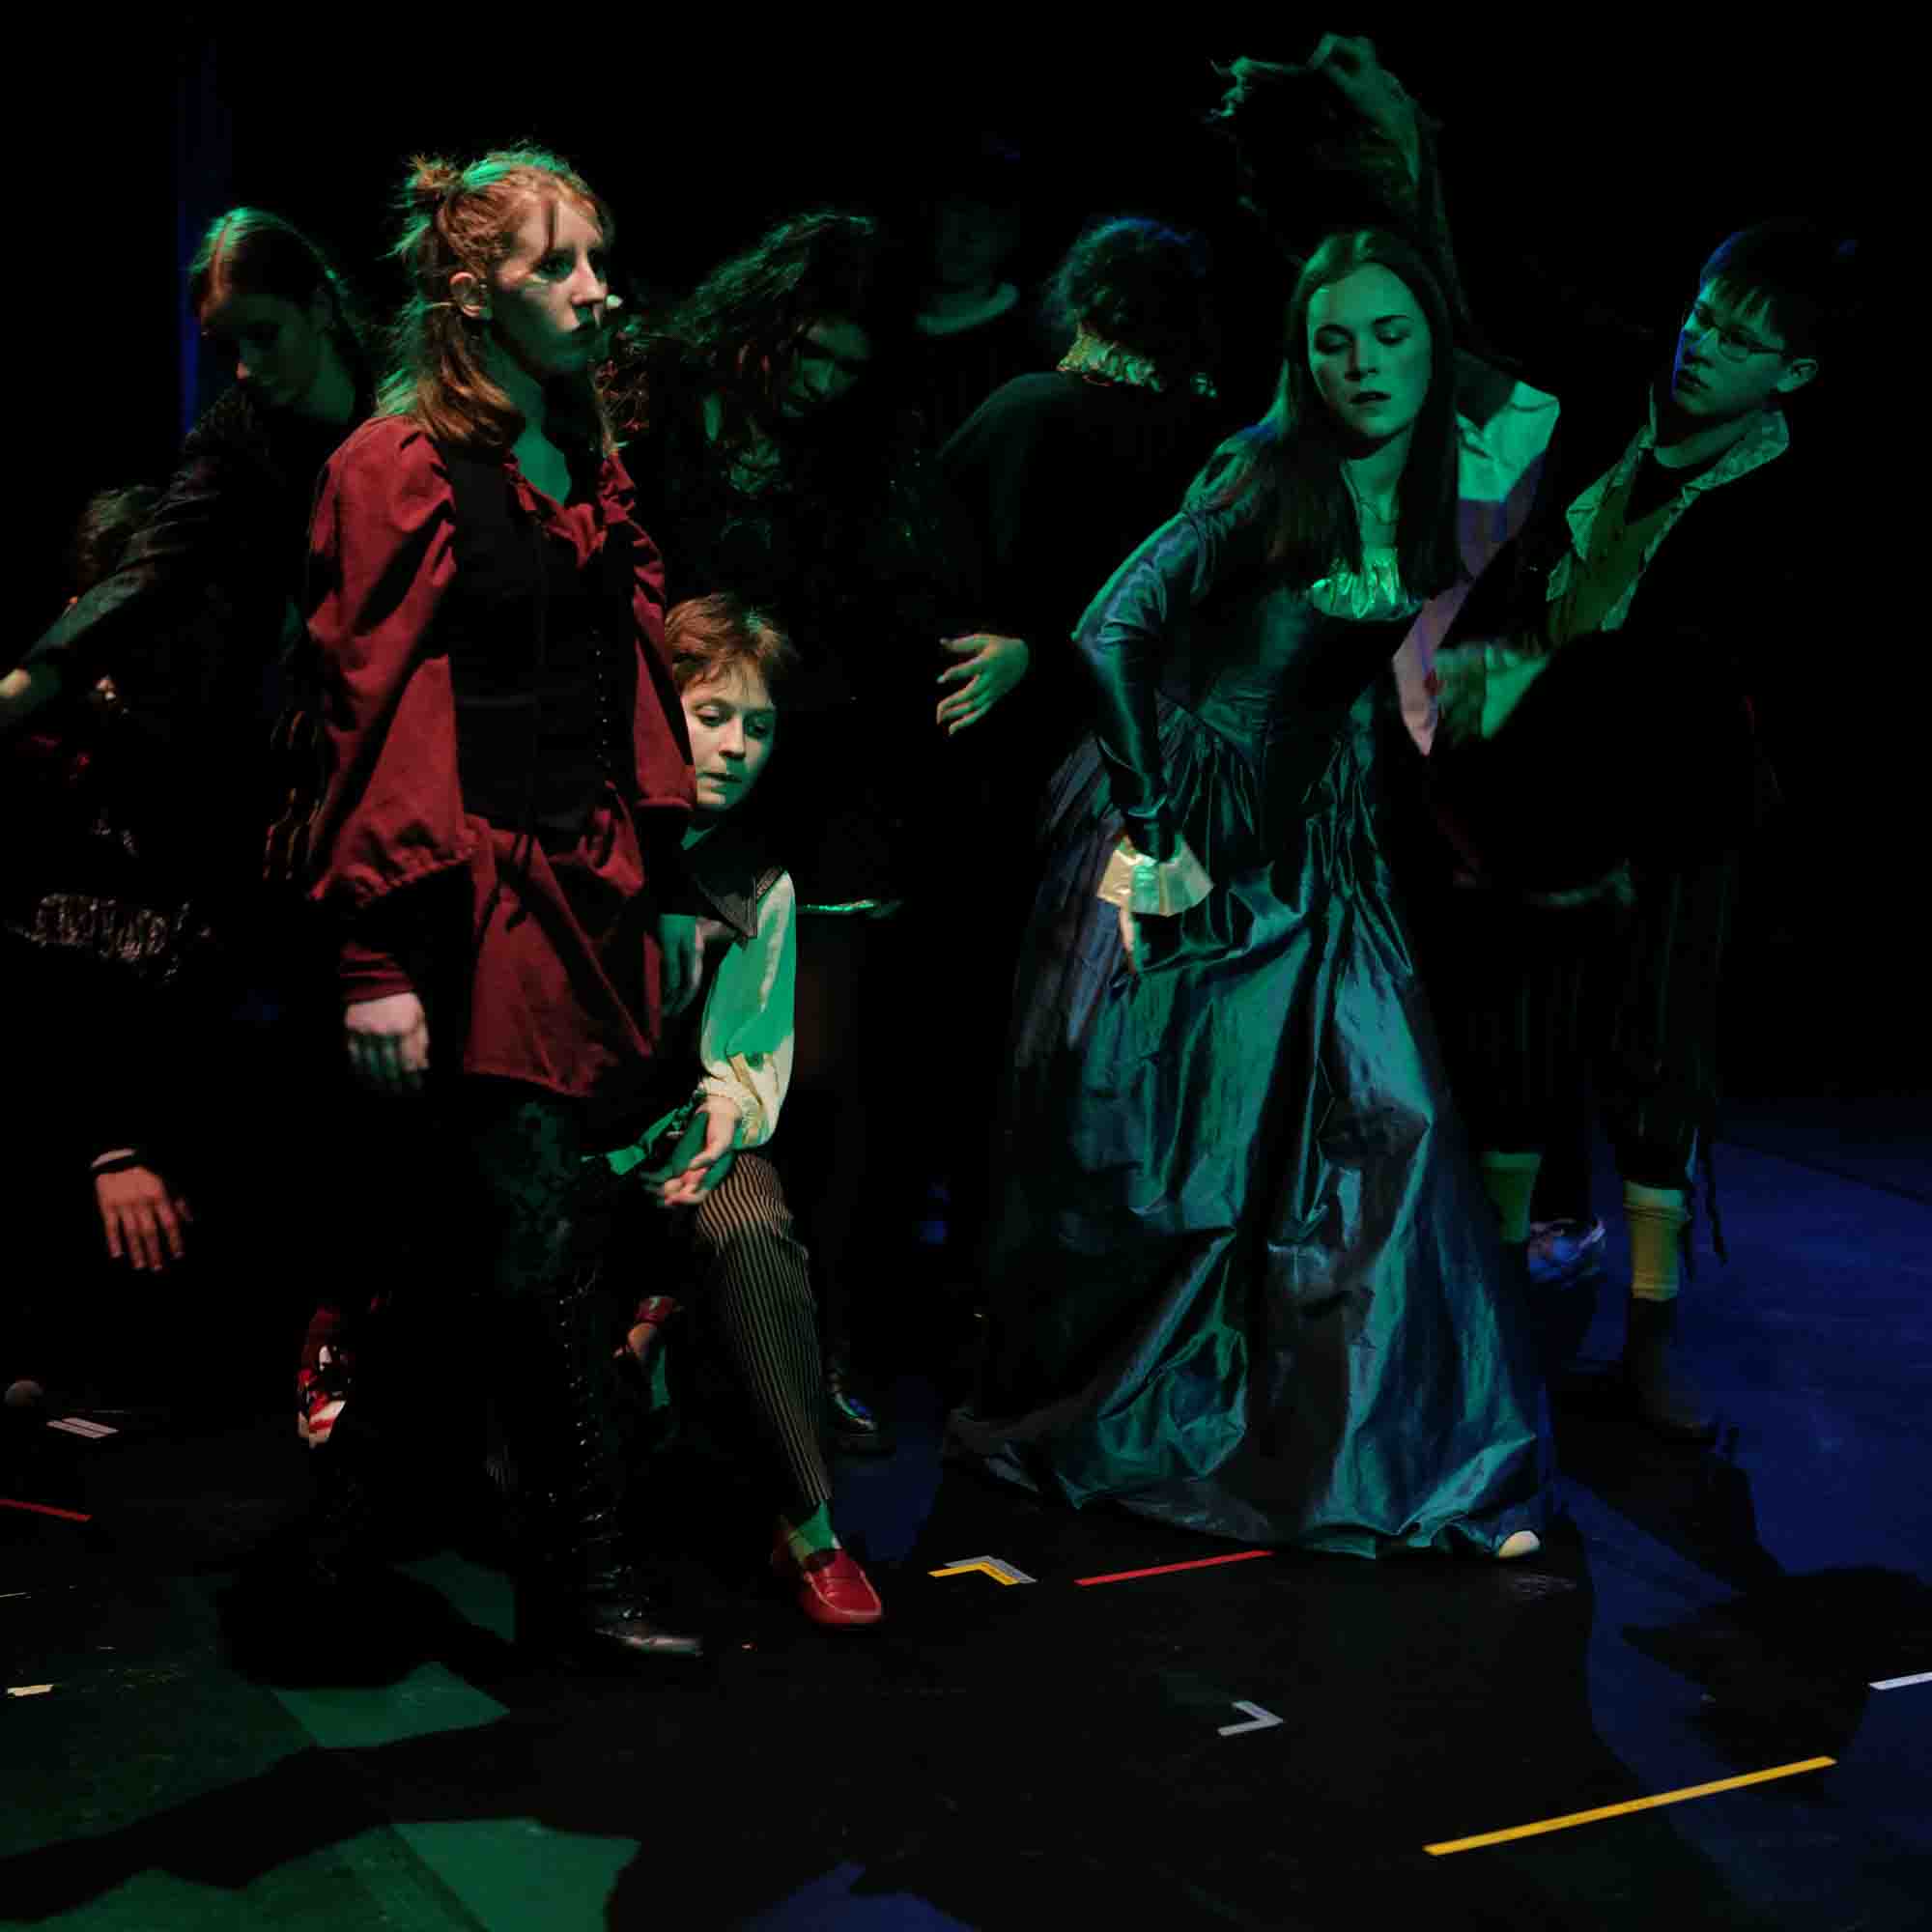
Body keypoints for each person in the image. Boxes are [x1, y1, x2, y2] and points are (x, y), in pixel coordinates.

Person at [952, 230, 1550, 1559]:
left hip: (1319, 831)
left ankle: (1417, 1463)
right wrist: (1155, 828)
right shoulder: (1263, 469)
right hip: (1185, 808)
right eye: (1333, 340)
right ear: (1301, 356)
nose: (1363, 364)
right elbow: (1110, 627)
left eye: (1391, 334)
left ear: (1435, 345)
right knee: (1183, 1159)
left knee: (1386, 1122)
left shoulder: (1437, 478)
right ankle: (1192, 1423)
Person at [293, 147, 702, 1660]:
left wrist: (662, 880)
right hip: (464, 901)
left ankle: (346, 1546)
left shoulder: (578, 448)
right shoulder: (395, 465)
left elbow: (624, 674)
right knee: (537, 1232)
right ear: (473, 292)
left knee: (474, 1244)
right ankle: (585, 1576)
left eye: (599, 258)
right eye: (557, 265)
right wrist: (369, 958)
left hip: (581, 885)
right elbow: (359, 713)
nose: (597, 292)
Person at [1417, 219, 1857, 1438]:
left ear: (1792, 373)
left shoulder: (1782, 503)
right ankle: (1489, 1317)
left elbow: (1694, 674)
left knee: (1655, 1064)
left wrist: (1544, 683)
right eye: (1702, 318)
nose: (1701, 347)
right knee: (1511, 1051)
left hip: (1671, 811)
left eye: (1739, 340)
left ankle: (1648, 1341)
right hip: (1537, 789)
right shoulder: (1620, 416)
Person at [607, 212, 1018, 1434]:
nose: (824, 381)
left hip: (819, 777)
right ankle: (640, 1334)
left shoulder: (867, 454)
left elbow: (923, 596)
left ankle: (811, 1348)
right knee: (652, 1055)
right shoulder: (668, 409)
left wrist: (1018, 643)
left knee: (824, 1081)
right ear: (763, 321)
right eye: (810, 352)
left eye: (848, 364)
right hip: (677, 764)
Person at [934, 213, 1227, 1282]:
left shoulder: (1031, 411)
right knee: (1114, 1041)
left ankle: (988, 1274)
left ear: (1087, 302)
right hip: (1162, 780)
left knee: (1009, 1025)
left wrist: (1029, 651)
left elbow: (937, 557)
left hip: (1023, 773)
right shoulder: (1215, 440)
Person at [603, 593, 883, 1627]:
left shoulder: (758, 878)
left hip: (684, 1133)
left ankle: (807, 1525)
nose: (733, 746)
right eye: (711, 716)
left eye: (756, 726)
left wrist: (721, 1113)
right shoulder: (588, 838)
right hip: (566, 1142)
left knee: (752, 1226)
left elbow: (746, 1047)